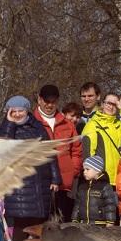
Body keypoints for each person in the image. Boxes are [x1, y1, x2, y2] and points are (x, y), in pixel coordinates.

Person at [0, 95, 61, 241]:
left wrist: (55, 178)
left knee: (38, 225)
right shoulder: (4, 128)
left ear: (27, 110)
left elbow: (50, 152)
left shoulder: (38, 127)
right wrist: (9, 123)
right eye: (14, 111)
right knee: (19, 224)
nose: (18, 114)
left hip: (39, 182)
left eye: (21, 110)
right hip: (18, 184)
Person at [32, 85, 82, 221]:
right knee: (43, 227)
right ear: (39, 100)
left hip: (64, 185)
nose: (49, 105)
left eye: (53, 101)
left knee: (62, 227)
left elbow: (76, 149)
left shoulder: (67, 124)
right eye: (46, 101)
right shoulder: (31, 123)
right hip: (41, 184)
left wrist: (74, 170)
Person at [81, 92, 121, 186]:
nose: (111, 107)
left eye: (114, 105)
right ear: (103, 104)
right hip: (102, 178)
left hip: (119, 178)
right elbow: (88, 154)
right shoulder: (93, 124)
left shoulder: (118, 124)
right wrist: (93, 176)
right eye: (108, 103)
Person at [71, 156, 116, 226]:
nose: (84, 172)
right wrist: (74, 220)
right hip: (83, 224)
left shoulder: (105, 186)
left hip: (99, 225)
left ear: (97, 170)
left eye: (87, 169)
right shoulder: (82, 187)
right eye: (84, 169)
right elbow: (77, 205)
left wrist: (110, 222)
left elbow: (110, 205)